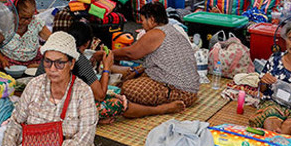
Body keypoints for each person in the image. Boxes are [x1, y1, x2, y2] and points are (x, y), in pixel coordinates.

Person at [37, 22, 186, 122]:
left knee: (109, 94)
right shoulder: (79, 60)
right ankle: (160, 109)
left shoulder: (49, 54)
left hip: (42, 106)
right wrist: (107, 67)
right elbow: (100, 95)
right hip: (61, 112)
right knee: (118, 103)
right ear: (87, 43)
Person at [98, 2, 199, 110]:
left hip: (181, 92)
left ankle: (164, 108)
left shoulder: (156, 33)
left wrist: (106, 53)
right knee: (134, 72)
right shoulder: (171, 29)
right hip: (188, 88)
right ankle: (105, 68)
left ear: (151, 19)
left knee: (127, 89)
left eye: (143, 20)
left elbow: (130, 53)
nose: (142, 25)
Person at [0, 0, 51, 68]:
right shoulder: (6, 24)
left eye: (30, 17)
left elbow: (51, 39)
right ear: (14, 13)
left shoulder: (36, 22)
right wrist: (2, 59)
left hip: (33, 60)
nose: (27, 21)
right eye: (23, 17)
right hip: (9, 60)